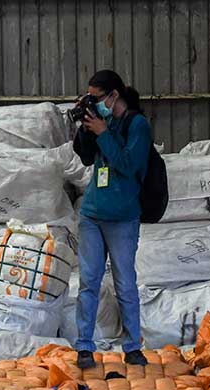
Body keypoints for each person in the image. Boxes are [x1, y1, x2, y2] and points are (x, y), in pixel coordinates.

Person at [72, 69, 152, 370]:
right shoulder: (100, 122)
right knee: (88, 282)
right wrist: (86, 126)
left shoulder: (137, 125)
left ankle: (132, 346)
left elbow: (128, 164)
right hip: (92, 213)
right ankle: (84, 346)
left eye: (97, 99)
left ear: (114, 95)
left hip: (122, 218)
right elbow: (87, 158)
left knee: (125, 283)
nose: (94, 104)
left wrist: (104, 132)